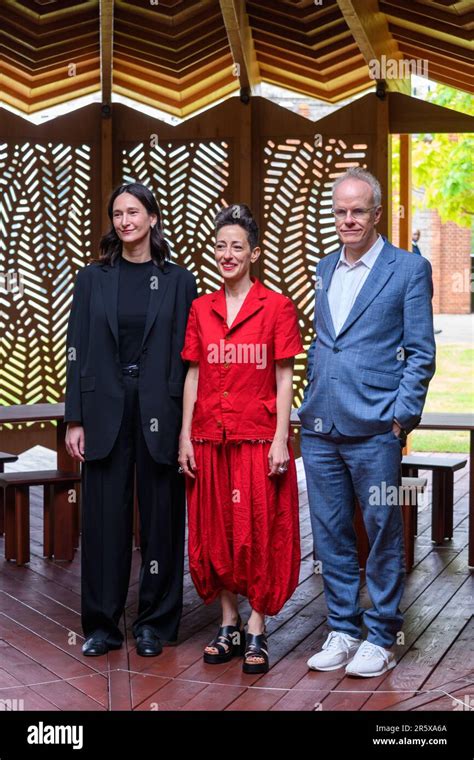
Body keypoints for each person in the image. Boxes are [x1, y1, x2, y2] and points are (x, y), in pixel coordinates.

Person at [299, 167, 435, 677]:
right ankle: (343, 627)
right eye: (340, 211)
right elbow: (326, 341)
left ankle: (380, 633)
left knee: (382, 530)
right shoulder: (324, 267)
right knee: (330, 531)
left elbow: (421, 352)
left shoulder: (407, 270)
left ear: (377, 213)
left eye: (358, 210)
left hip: (377, 430)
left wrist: (400, 420)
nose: (348, 219)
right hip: (320, 429)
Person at [64, 182, 197, 657]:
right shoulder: (92, 278)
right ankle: (102, 625)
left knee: (162, 518)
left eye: (134, 212)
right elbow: (76, 349)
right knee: (103, 519)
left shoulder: (180, 280)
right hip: (103, 411)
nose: (125, 221)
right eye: (117, 213)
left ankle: (154, 625)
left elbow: (190, 357)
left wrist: (187, 425)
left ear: (152, 218)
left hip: (161, 410)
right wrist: (73, 418)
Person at [178, 204, 302, 674]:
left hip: (255, 436)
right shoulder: (200, 309)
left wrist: (279, 438)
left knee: (259, 531)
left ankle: (256, 626)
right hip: (210, 437)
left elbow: (285, 377)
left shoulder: (277, 307)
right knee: (216, 532)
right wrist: (185, 435)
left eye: (237, 246)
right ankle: (227, 622)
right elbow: (193, 373)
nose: (227, 254)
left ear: (254, 252)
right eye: (220, 245)